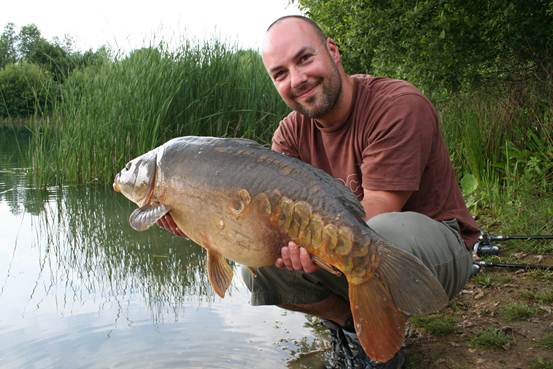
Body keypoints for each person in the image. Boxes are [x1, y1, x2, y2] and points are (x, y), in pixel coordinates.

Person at [158, 15, 479, 369]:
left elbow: (374, 214)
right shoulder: (289, 134)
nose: (297, 79)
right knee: (257, 268)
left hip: (430, 247)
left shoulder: (396, 104)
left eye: (304, 59)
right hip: (352, 246)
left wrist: (308, 241)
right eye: (280, 74)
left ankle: (381, 331)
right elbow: (267, 225)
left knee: (371, 240)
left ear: (332, 51)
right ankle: (351, 325)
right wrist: (201, 223)